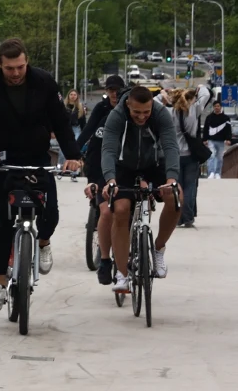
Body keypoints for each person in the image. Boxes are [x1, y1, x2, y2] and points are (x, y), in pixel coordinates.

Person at [0, 38, 81, 313]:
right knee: (3, 220)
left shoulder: (44, 82)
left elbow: (61, 122)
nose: (16, 73)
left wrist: (73, 156)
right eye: (9, 68)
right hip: (1, 160)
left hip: (37, 157)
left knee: (50, 213)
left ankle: (43, 242)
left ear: (27, 61)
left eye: (20, 67)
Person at [101, 85, 182, 292]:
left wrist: (171, 178)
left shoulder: (160, 113)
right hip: (124, 167)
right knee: (120, 210)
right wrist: (110, 180)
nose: (141, 116)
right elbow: (108, 149)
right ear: (128, 104)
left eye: (146, 112)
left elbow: (171, 146)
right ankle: (122, 274)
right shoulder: (116, 115)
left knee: (176, 196)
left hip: (154, 164)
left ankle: (158, 248)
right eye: (136, 112)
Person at [81, 75, 126, 284]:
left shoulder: (130, 109)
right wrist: (73, 152)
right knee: (106, 211)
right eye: (110, 90)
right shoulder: (101, 109)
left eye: (118, 90)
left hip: (124, 167)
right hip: (100, 166)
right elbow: (87, 131)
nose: (114, 94)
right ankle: (105, 254)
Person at [161, 86, 210, 228]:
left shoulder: (169, 112)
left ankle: (178, 218)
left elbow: (155, 102)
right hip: (191, 155)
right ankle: (188, 217)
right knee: (190, 186)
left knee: (177, 188)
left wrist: (163, 94)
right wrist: (200, 87)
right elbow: (206, 95)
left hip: (174, 155)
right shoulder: (194, 109)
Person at [204, 98, 231, 183]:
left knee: (219, 158)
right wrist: (205, 139)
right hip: (211, 140)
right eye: (215, 106)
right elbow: (206, 129)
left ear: (221, 107)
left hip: (221, 140)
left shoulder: (226, 118)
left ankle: (217, 173)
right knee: (211, 156)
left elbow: (228, 129)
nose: (217, 107)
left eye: (218, 106)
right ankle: (211, 172)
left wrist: (228, 139)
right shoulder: (209, 117)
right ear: (213, 107)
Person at [63, 89, 87, 175]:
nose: (73, 96)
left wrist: (85, 133)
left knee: (75, 147)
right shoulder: (63, 106)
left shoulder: (80, 107)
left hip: (76, 128)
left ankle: (74, 172)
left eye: (74, 95)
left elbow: (83, 122)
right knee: (63, 149)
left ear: (77, 96)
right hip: (65, 129)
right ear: (68, 96)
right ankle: (62, 169)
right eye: (71, 94)